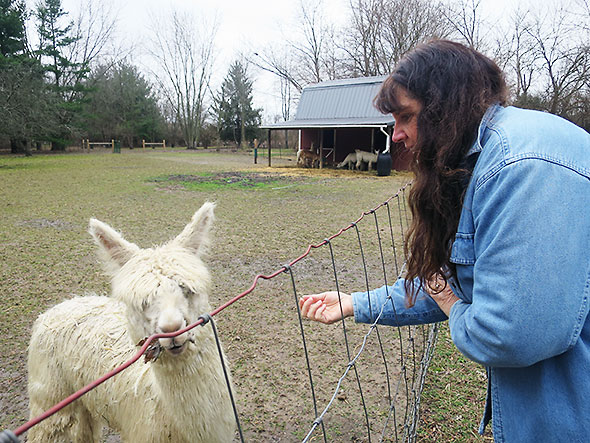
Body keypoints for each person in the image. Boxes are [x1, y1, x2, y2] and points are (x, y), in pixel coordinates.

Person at [299, 39, 590, 442]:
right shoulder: (484, 159)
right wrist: (355, 303)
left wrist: (453, 307)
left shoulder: (518, 167)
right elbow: (452, 283)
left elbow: (509, 335)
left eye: (405, 117)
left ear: (446, 107)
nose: (396, 135)